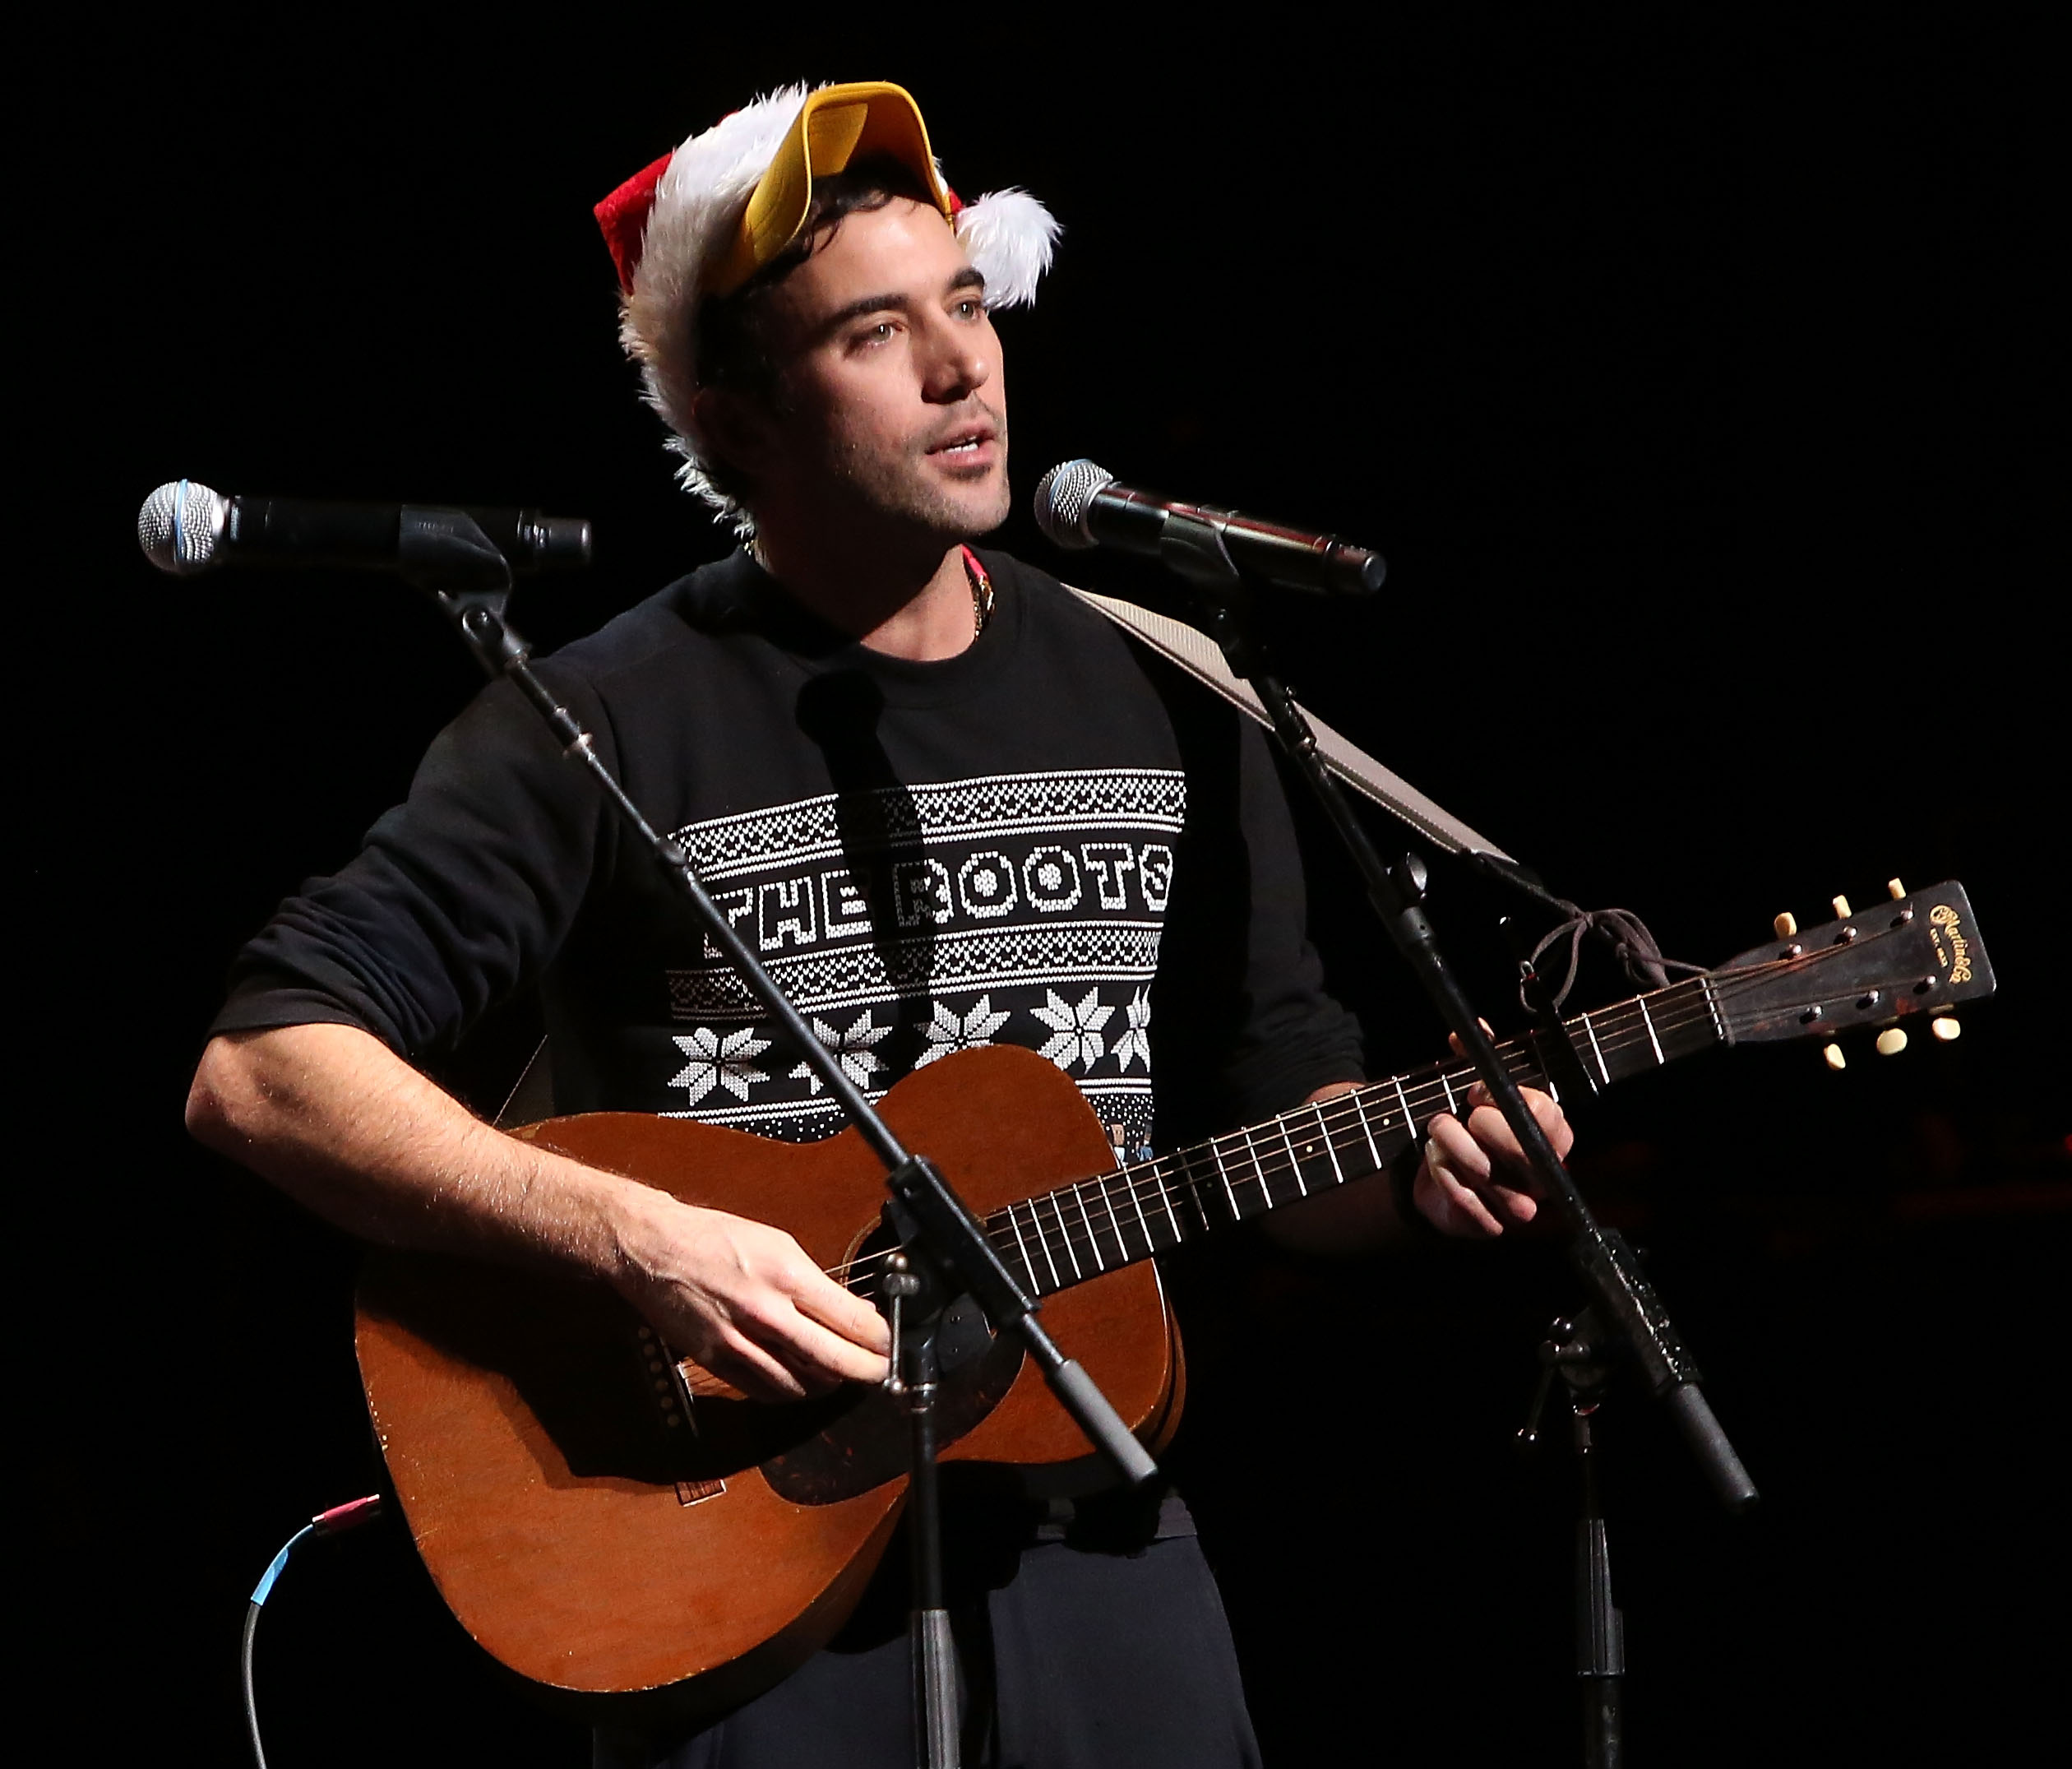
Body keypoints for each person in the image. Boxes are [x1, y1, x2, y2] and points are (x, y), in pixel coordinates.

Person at [186, 81, 1572, 1767]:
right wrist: (641, 1240)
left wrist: (1415, 1157)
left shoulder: (1171, 684)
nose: (959, 365)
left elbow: (1288, 1108)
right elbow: (264, 1070)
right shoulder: (597, 719)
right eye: (873, 331)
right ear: (738, 419)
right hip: (731, 1558)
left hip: (1097, 1539)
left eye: (968, 304)